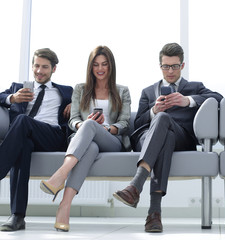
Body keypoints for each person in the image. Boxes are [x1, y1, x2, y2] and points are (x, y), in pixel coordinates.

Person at [112, 42, 223, 232]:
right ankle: (154, 214)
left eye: (174, 66)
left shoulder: (195, 87)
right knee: (165, 134)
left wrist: (187, 101)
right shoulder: (148, 91)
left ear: (182, 66)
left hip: (182, 137)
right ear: (160, 66)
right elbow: (137, 124)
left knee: (167, 125)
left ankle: (135, 185)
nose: (170, 71)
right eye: (166, 66)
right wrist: (154, 110)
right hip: (148, 138)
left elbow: (218, 98)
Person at [39, 46, 131, 232]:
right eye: (96, 64)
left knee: (91, 126)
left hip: (111, 140)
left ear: (111, 66)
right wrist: (83, 125)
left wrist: (106, 127)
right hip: (87, 141)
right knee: (90, 143)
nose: (100, 68)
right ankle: (64, 207)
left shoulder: (122, 91)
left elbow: (125, 123)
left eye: (105, 64)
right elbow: (73, 120)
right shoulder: (81, 89)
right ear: (90, 67)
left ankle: (61, 175)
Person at [0, 48, 73, 231]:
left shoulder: (65, 91)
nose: (39, 71)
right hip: (25, 136)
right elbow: (1, 97)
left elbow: (87, 103)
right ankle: (17, 216)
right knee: (23, 144)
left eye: (45, 67)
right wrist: (12, 98)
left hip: (52, 136)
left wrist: (76, 104)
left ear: (54, 69)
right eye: (37, 66)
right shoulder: (18, 87)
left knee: (23, 120)